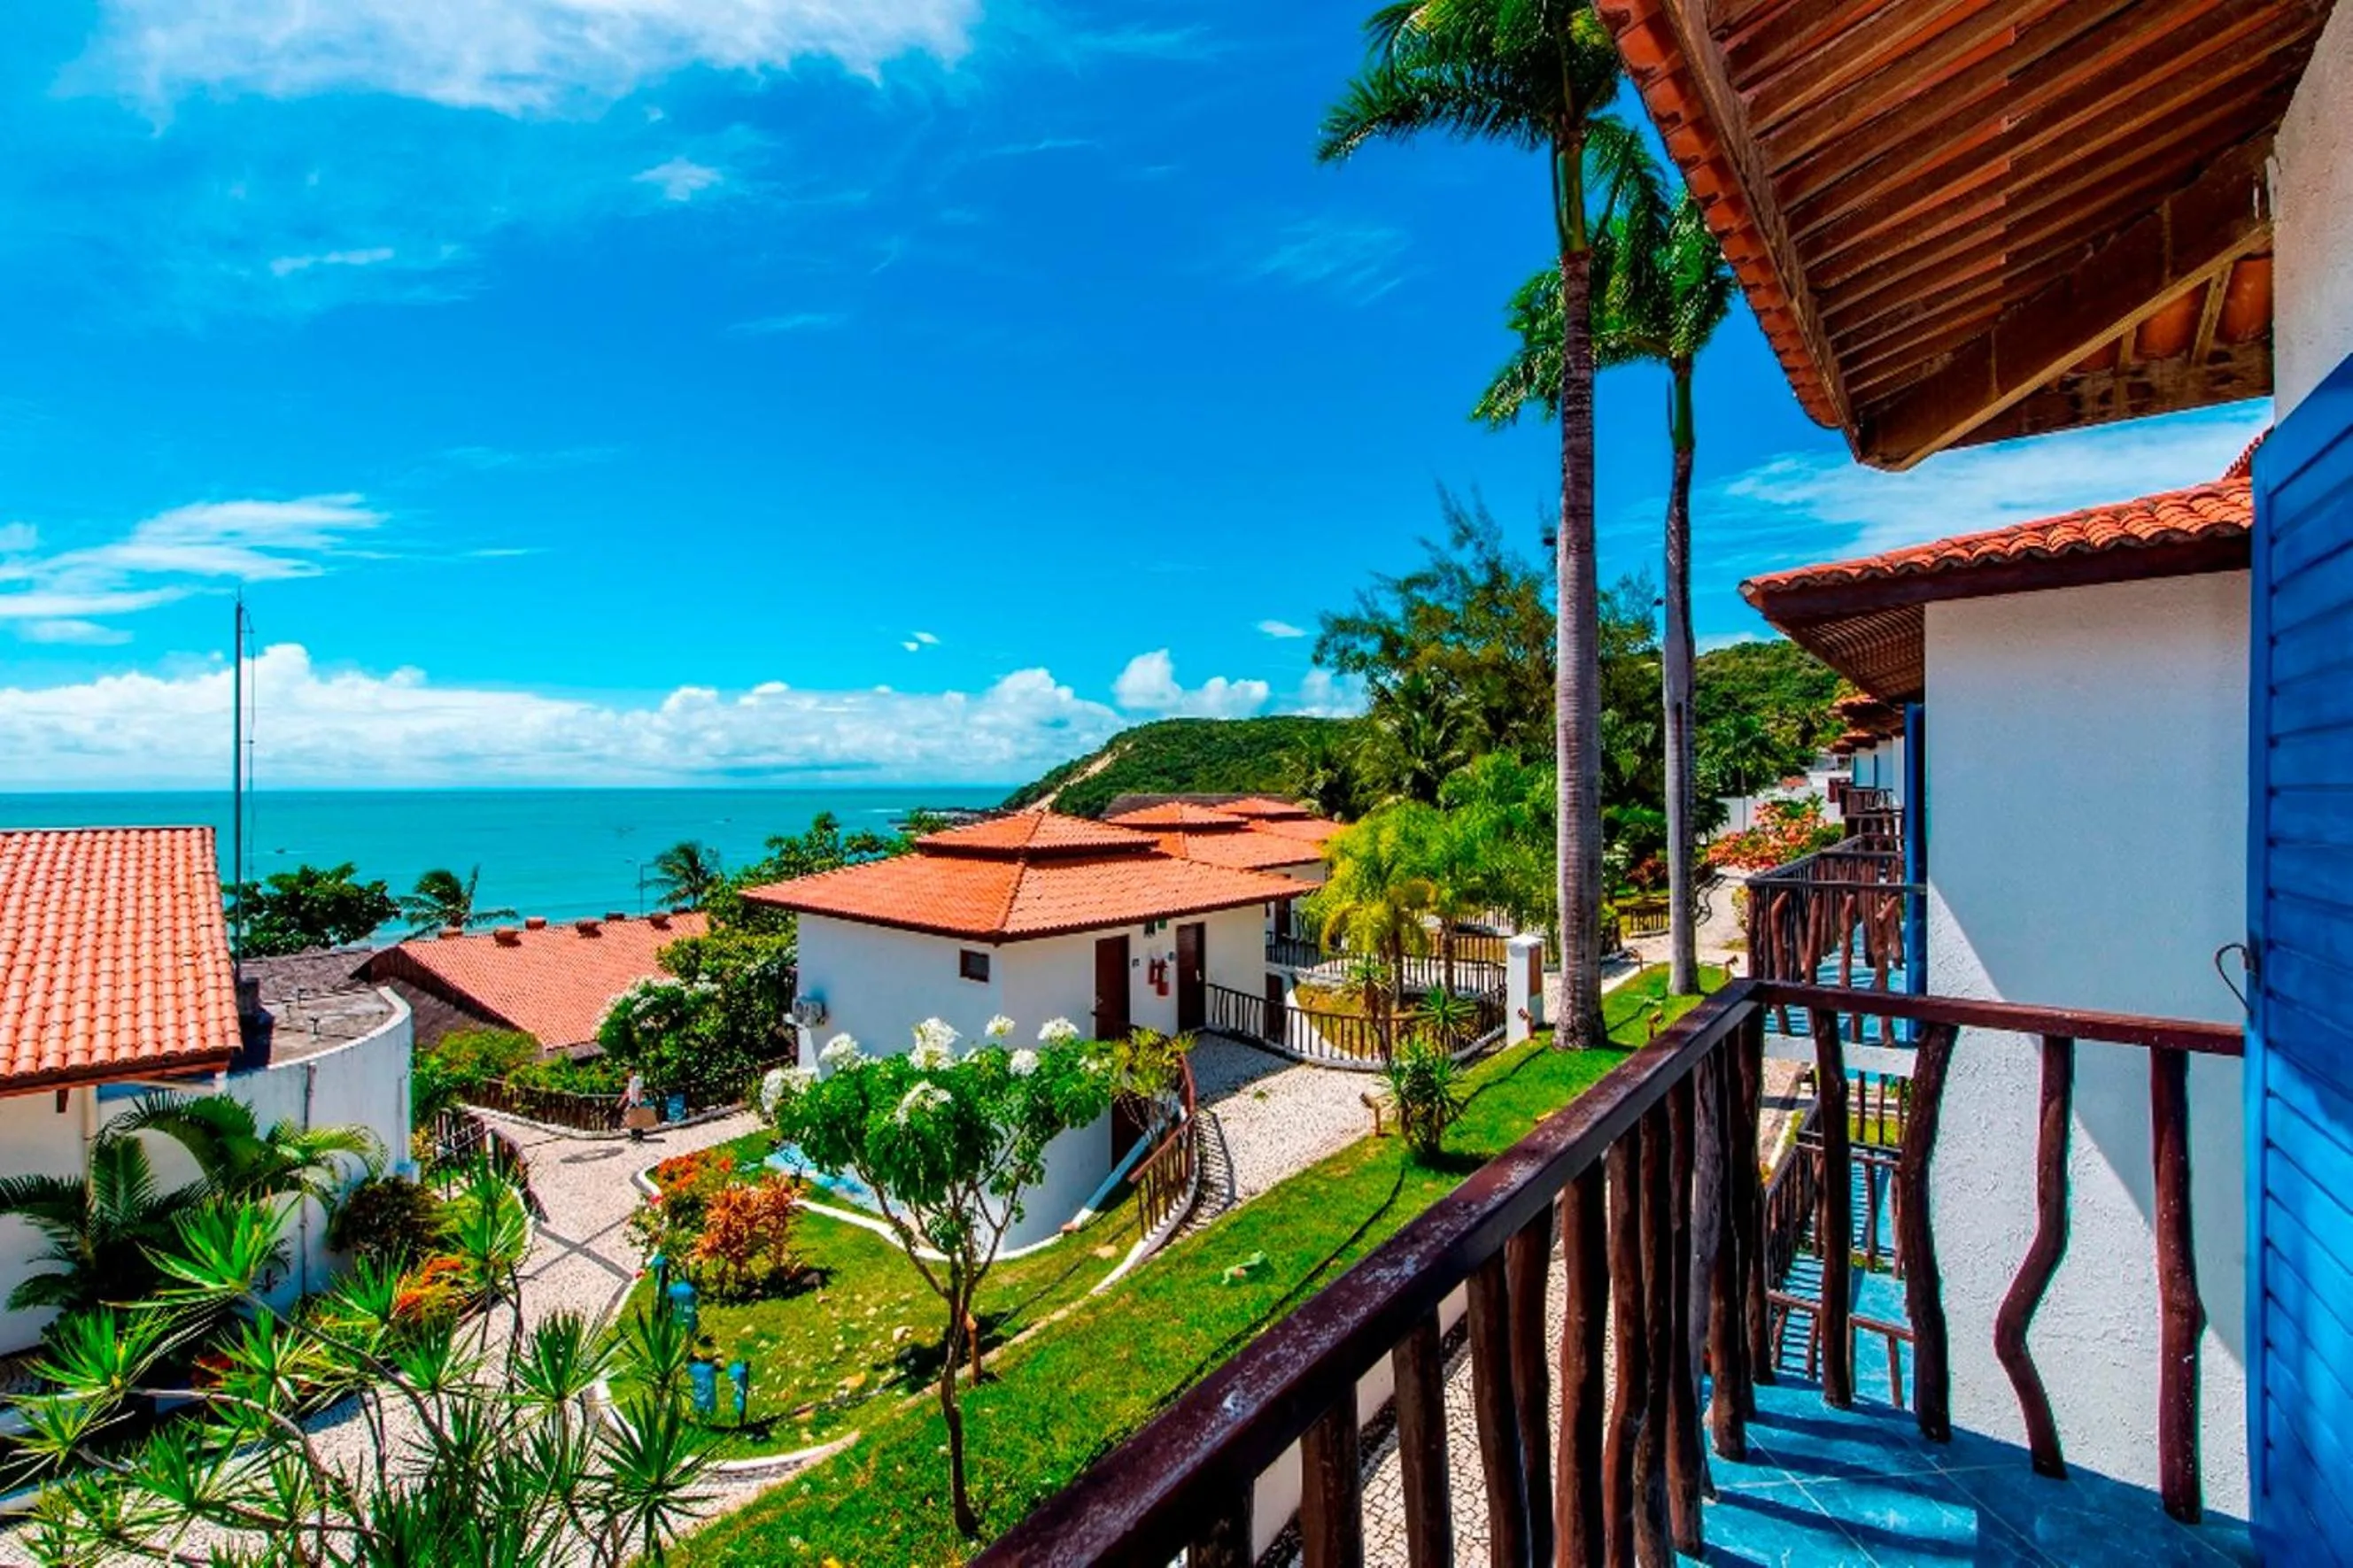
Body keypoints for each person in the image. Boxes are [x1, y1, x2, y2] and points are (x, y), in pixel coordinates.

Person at [620, 1070, 648, 1141]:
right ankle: (633, 1136)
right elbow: (628, 1092)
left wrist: (638, 1102)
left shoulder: (637, 1079)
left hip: (636, 1102)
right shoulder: (630, 1080)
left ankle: (639, 1137)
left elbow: (640, 1090)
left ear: (632, 1071)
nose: (626, 1073)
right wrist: (621, 1101)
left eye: (628, 1071)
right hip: (631, 1101)